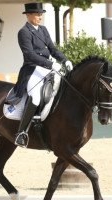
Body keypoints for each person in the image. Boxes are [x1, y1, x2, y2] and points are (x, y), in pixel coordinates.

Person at [14, 2, 73, 147]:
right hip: (32, 69)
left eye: (41, 14)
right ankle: (22, 132)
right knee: (35, 95)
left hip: (47, 68)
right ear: (28, 15)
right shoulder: (24, 32)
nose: (40, 17)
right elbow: (29, 55)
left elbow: (52, 49)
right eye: (37, 14)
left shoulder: (43, 30)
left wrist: (65, 60)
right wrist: (51, 64)